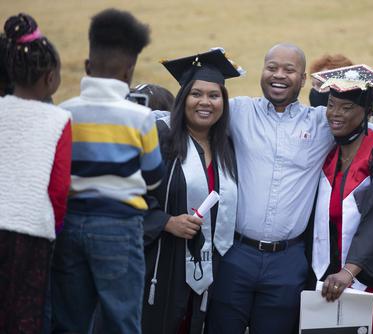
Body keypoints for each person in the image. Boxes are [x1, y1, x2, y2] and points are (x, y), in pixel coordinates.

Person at [206, 43, 373, 334]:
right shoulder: (239, 112)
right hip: (237, 254)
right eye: (272, 67)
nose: (279, 75)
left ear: (303, 79)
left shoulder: (322, 122)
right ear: (262, 71)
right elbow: (187, 117)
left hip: (288, 260)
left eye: (289, 70)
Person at [51, 9, 164, 333]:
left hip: (70, 225)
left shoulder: (65, 112)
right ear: (129, 72)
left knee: (70, 320)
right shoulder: (140, 118)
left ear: (87, 66)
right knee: (122, 318)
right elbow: (154, 179)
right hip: (119, 226)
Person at [304, 66, 373, 334]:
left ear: (367, 112)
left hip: (368, 283)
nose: (335, 114)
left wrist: (349, 272)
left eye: (346, 108)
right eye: (332, 105)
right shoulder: (329, 152)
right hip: (327, 280)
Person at [141, 49, 240, 334]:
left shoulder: (228, 147)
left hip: (209, 267)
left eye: (214, 95)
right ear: (183, 98)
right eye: (196, 94)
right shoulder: (160, 136)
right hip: (162, 261)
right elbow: (126, 195)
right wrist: (166, 222)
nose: (205, 102)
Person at [0, 13, 71, 333]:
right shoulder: (57, 119)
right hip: (31, 232)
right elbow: (59, 188)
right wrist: (54, 225)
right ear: (49, 78)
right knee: (24, 316)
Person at [308, 53, 373, 125]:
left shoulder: (366, 115)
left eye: (321, 85)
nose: (315, 91)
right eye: (313, 85)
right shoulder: (313, 121)